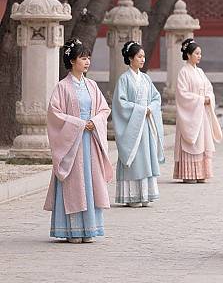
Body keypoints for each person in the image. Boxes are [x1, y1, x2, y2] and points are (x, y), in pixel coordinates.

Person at [44, 38, 112, 243]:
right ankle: (71, 230)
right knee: (74, 182)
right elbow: (54, 114)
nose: (87, 61)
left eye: (88, 57)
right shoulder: (62, 87)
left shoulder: (91, 85)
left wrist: (94, 121)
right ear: (72, 61)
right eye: (83, 58)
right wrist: (79, 124)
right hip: (71, 143)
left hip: (90, 140)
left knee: (90, 181)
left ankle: (89, 229)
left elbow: (104, 109)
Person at [112, 41, 165, 207]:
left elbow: (156, 98)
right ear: (130, 58)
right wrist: (141, 110)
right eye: (139, 56)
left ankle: (146, 194)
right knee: (134, 159)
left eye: (143, 56)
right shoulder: (124, 79)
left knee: (146, 158)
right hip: (132, 127)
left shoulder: (146, 78)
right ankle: (132, 196)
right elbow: (120, 104)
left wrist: (150, 108)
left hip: (146, 125)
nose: (142, 59)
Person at [174, 38, 222, 183]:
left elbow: (209, 89)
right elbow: (182, 94)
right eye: (196, 53)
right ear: (188, 55)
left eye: (200, 53)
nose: (199, 56)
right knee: (192, 142)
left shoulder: (200, 72)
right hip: (191, 114)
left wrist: (209, 98)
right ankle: (188, 174)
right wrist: (201, 100)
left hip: (201, 113)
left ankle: (201, 173)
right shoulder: (183, 72)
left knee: (202, 141)